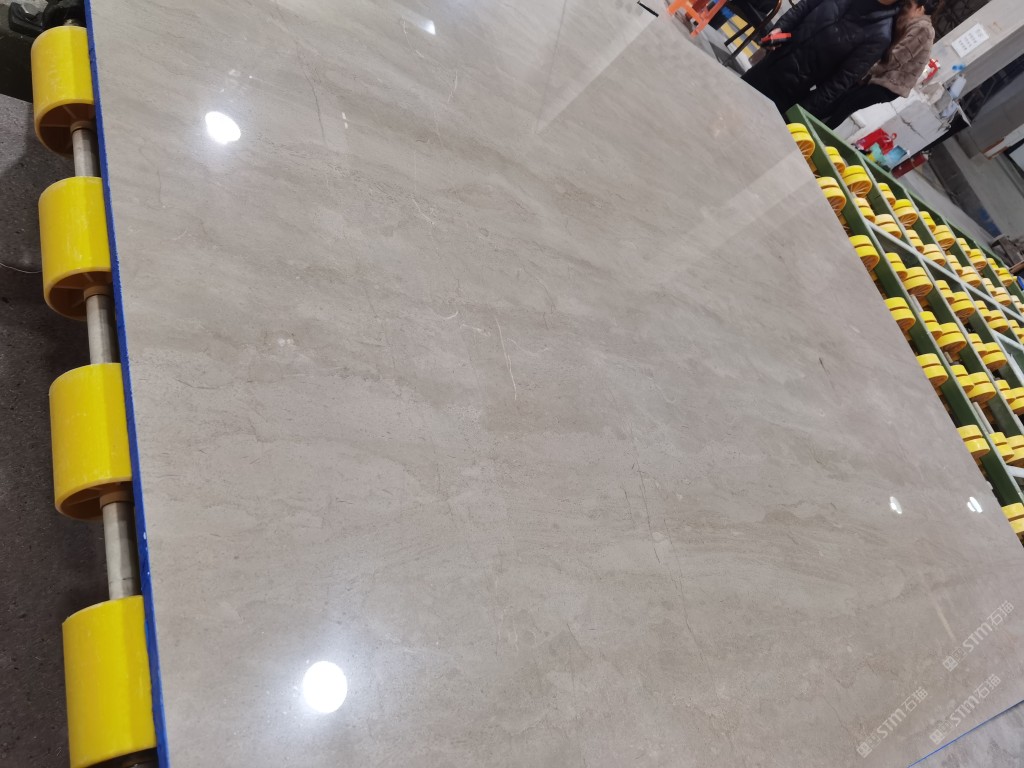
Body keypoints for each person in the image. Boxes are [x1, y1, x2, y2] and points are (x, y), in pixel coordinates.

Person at [741, 0, 901, 118]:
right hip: (768, 66)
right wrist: (780, 28)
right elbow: (804, 7)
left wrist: (794, 115)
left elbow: (838, 84)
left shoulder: (879, 36)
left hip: (788, 95)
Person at [818, 0, 938, 127]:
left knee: (848, 104)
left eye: (909, 6)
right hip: (881, 76)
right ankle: (813, 120)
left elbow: (896, 58)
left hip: (890, 84)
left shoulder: (923, 29)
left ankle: (819, 130)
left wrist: (867, 69)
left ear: (920, 9)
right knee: (841, 100)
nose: (905, 8)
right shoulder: (910, 22)